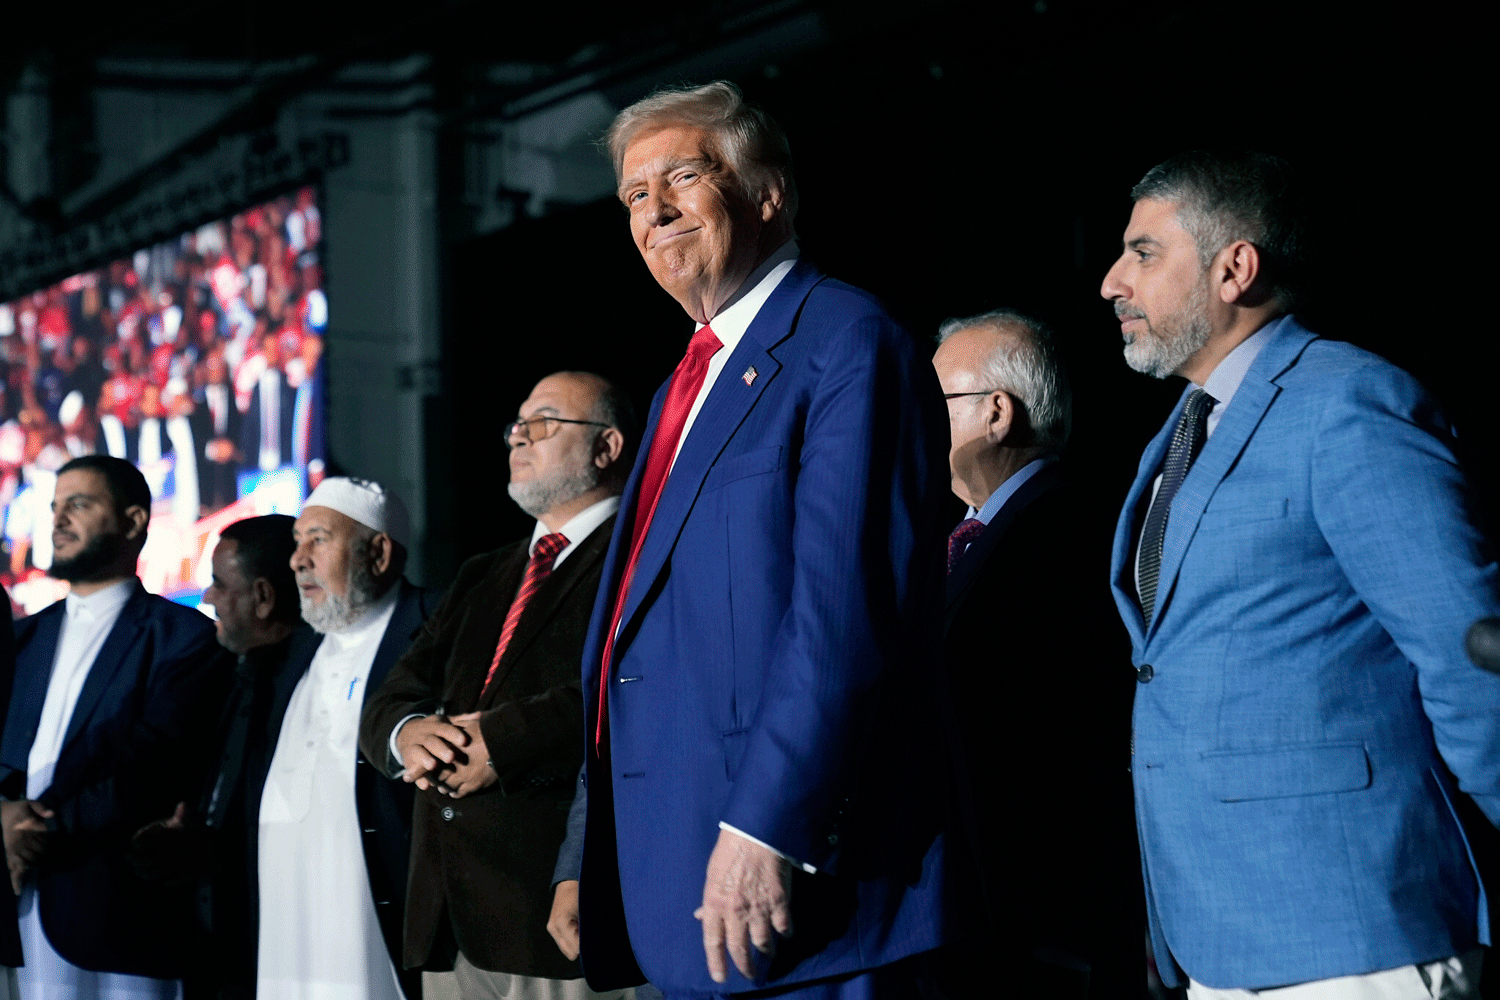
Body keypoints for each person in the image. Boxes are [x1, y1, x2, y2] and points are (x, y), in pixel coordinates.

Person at [576, 81, 951, 998]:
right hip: (674, 875)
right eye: (634, 195)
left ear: (768, 194)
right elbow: (631, 639)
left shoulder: (847, 339)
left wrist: (766, 826)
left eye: (682, 178)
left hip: (797, 893)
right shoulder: (680, 387)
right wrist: (583, 849)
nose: (655, 211)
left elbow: (843, 614)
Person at [1100, 151, 1500, 998]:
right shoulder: (1180, 431)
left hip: (1355, 929)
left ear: (1234, 269)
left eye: (1142, 253)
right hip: (1215, 933)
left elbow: (1469, 652)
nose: (1111, 282)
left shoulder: (1350, 402)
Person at [360, 372, 635, 1000]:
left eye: (544, 422)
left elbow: (632, 693)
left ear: (607, 446)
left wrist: (501, 743)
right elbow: (392, 696)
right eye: (516, 424)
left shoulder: (640, 555)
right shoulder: (483, 573)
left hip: (555, 915)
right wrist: (409, 736)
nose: (519, 437)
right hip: (447, 923)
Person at [932, 310, 1141, 998]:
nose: (914, 419)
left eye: (936, 399)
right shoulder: (960, 537)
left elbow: (1068, 749)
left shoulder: (1073, 534)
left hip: (1039, 936)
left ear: (997, 413)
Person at [0, 454, 228, 998]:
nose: (57, 521)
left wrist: (34, 831)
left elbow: (155, 764)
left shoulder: (183, 638)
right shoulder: (22, 640)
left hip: (121, 910)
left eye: (78, 505)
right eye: (55, 507)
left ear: (133, 522)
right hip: (19, 902)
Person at [255, 477, 439, 1000]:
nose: (298, 560)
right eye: (297, 542)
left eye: (318, 539)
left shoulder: (438, 626)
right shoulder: (294, 653)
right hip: (288, 921)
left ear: (378, 553)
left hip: (380, 913)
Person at [130, 513, 304, 1000]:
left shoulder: (309, 691)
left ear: (264, 597)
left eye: (220, 584)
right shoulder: (219, 677)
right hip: (215, 954)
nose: (206, 597)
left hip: (280, 957)